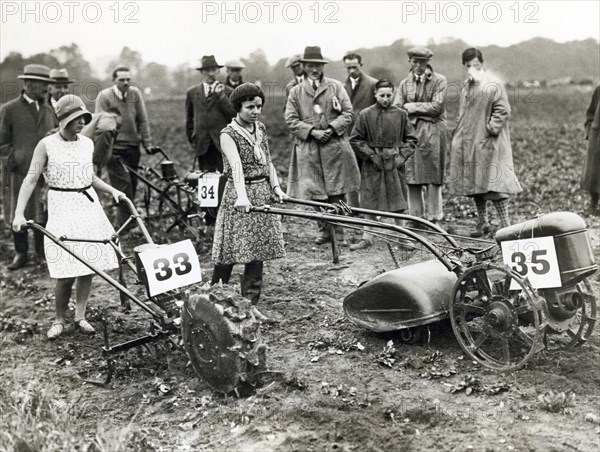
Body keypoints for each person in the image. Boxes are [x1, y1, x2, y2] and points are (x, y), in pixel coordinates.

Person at [12, 95, 125, 339]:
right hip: (62, 206)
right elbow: (31, 178)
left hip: (88, 207)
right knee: (65, 270)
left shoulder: (86, 143)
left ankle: (80, 316)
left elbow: (90, 178)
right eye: (75, 118)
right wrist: (19, 213)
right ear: (63, 120)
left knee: (88, 265)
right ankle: (59, 318)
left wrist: (113, 190)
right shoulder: (46, 145)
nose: (81, 122)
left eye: (83, 118)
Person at [211, 83, 286, 321]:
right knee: (231, 250)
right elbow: (236, 168)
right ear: (238, 107)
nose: (255, 111)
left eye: (259, 106)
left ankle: (250, 304)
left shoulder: (260, 128)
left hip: (261, 192)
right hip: (239, 196)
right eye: (249, 107)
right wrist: (242, 196)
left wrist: (276, 187)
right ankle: (213, 300)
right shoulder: (228, 134)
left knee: (257, 251)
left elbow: (268, 162)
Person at [285, 45, 360, 246]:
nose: (314, 70)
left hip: (334, 147)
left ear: (322, 66)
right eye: (310, 66)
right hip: (309, 150)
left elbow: (348, 113)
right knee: (315, 193)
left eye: (318, 65)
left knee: (337, 191)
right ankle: (324, 230)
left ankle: (339, 232)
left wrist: (332, 128)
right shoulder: (296, 92)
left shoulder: (335, 87)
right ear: (304, 67)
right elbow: (290, 119)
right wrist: (313, 132)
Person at [447, 48, 522, 237]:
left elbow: (503, 110)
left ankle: (505, 225)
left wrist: (490, 129)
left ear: (482, 64)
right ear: (464, 66)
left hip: (489, 141)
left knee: (494, 183)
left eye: (476, 65)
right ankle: (483, 222)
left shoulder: (492, 84)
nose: (472, 68)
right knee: (475, 185)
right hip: (469, 141)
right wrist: (458, 133)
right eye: (469, 65)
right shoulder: (467, 87)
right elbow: (463, 114)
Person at [349, 79, 418, 251]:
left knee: (398, 200)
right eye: (382, 95)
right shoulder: (365, 114)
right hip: (373, 163)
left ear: (393, 94)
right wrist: (370, 155)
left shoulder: (401, 114)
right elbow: (355, 139)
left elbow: (412, 139)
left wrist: (401, 156)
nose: (386, 99)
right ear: (375, 94)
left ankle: (402, 237)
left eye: (389, 95)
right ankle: (367, 237)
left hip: (394, 162)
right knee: (369, 199)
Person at [0, 64, 57, 270]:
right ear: (28, 84)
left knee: (42, 212)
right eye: (43, 84)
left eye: (47, 85)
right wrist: (14, 160)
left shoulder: (49, 110)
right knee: (19, 209)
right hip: (18, 173)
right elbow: (2, 142)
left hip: (43, 173)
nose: (47, 89)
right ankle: (21, 253)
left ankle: (41, 253)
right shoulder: (9, 109)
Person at [394, 47, 448, 224]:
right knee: (412, 174)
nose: (418, 66)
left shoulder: (440, 81)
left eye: (422, 62)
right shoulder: (404, 84)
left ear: (428, 63)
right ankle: (416, 217)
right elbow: (397, 107)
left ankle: (434, 217)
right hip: (411, 132)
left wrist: (411, 108)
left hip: (433, 131)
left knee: (433, 174)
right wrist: (420, 109)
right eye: (415, 62)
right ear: (410, 62)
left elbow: (437, 107)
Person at [95, 66, 153, 229]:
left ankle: (129, 220)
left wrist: (146, 143)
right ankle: (123, 225)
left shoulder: (135, 94)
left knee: (132, 185)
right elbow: (101, 124)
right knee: (122, 184)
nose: (126, 83)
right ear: (114, 80)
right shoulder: (104, 96)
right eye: (122, 80)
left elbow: (142, 119)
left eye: (128, 79)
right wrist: (105, 148)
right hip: (113, 148)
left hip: (132, 146)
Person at [185, 55, 236, 173]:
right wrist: (193, 139)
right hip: (203, 145)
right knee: (206, 181)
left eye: (214, 70)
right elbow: (189, 120)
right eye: (208, 70)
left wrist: (221, 97)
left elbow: (234, 115)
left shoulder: (228, 91)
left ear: (218, 71)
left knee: (226, 180)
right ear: (202, 72)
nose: (211, 73)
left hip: (222, 145)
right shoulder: (192, 93)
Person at [342, 52, 378, 211]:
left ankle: (370, 210)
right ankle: (353, 208)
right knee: (350, 171)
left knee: (369, 174)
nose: (351, 71)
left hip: (367, 137)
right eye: (348, 67)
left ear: (361, 65)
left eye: (354, 67)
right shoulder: (341, 87)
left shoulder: (372, 84)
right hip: (348, 136)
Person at [581, 85, 600, 215]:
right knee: (594, 173)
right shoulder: (599, 90)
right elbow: (591, 112)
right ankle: (593, 204)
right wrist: (589, 129)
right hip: (598, 135)